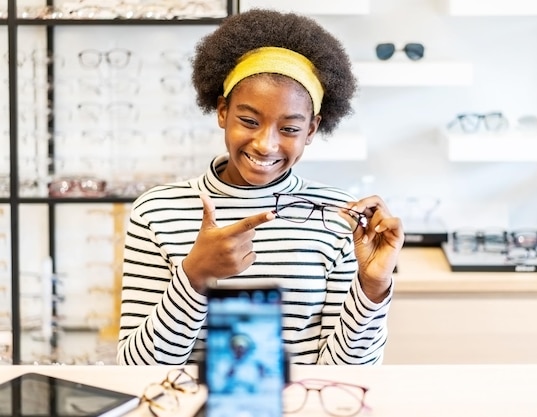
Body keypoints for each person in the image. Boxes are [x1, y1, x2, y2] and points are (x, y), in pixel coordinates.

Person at [117, 8, 404, 366]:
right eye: (249, 121)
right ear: (222, 111)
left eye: (289, 129)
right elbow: (137, 369)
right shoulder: (157, 211)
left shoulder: (339, 216)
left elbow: (348, 374)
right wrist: (195, 275)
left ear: (312, 130)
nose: (266, 144)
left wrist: (372, 286)